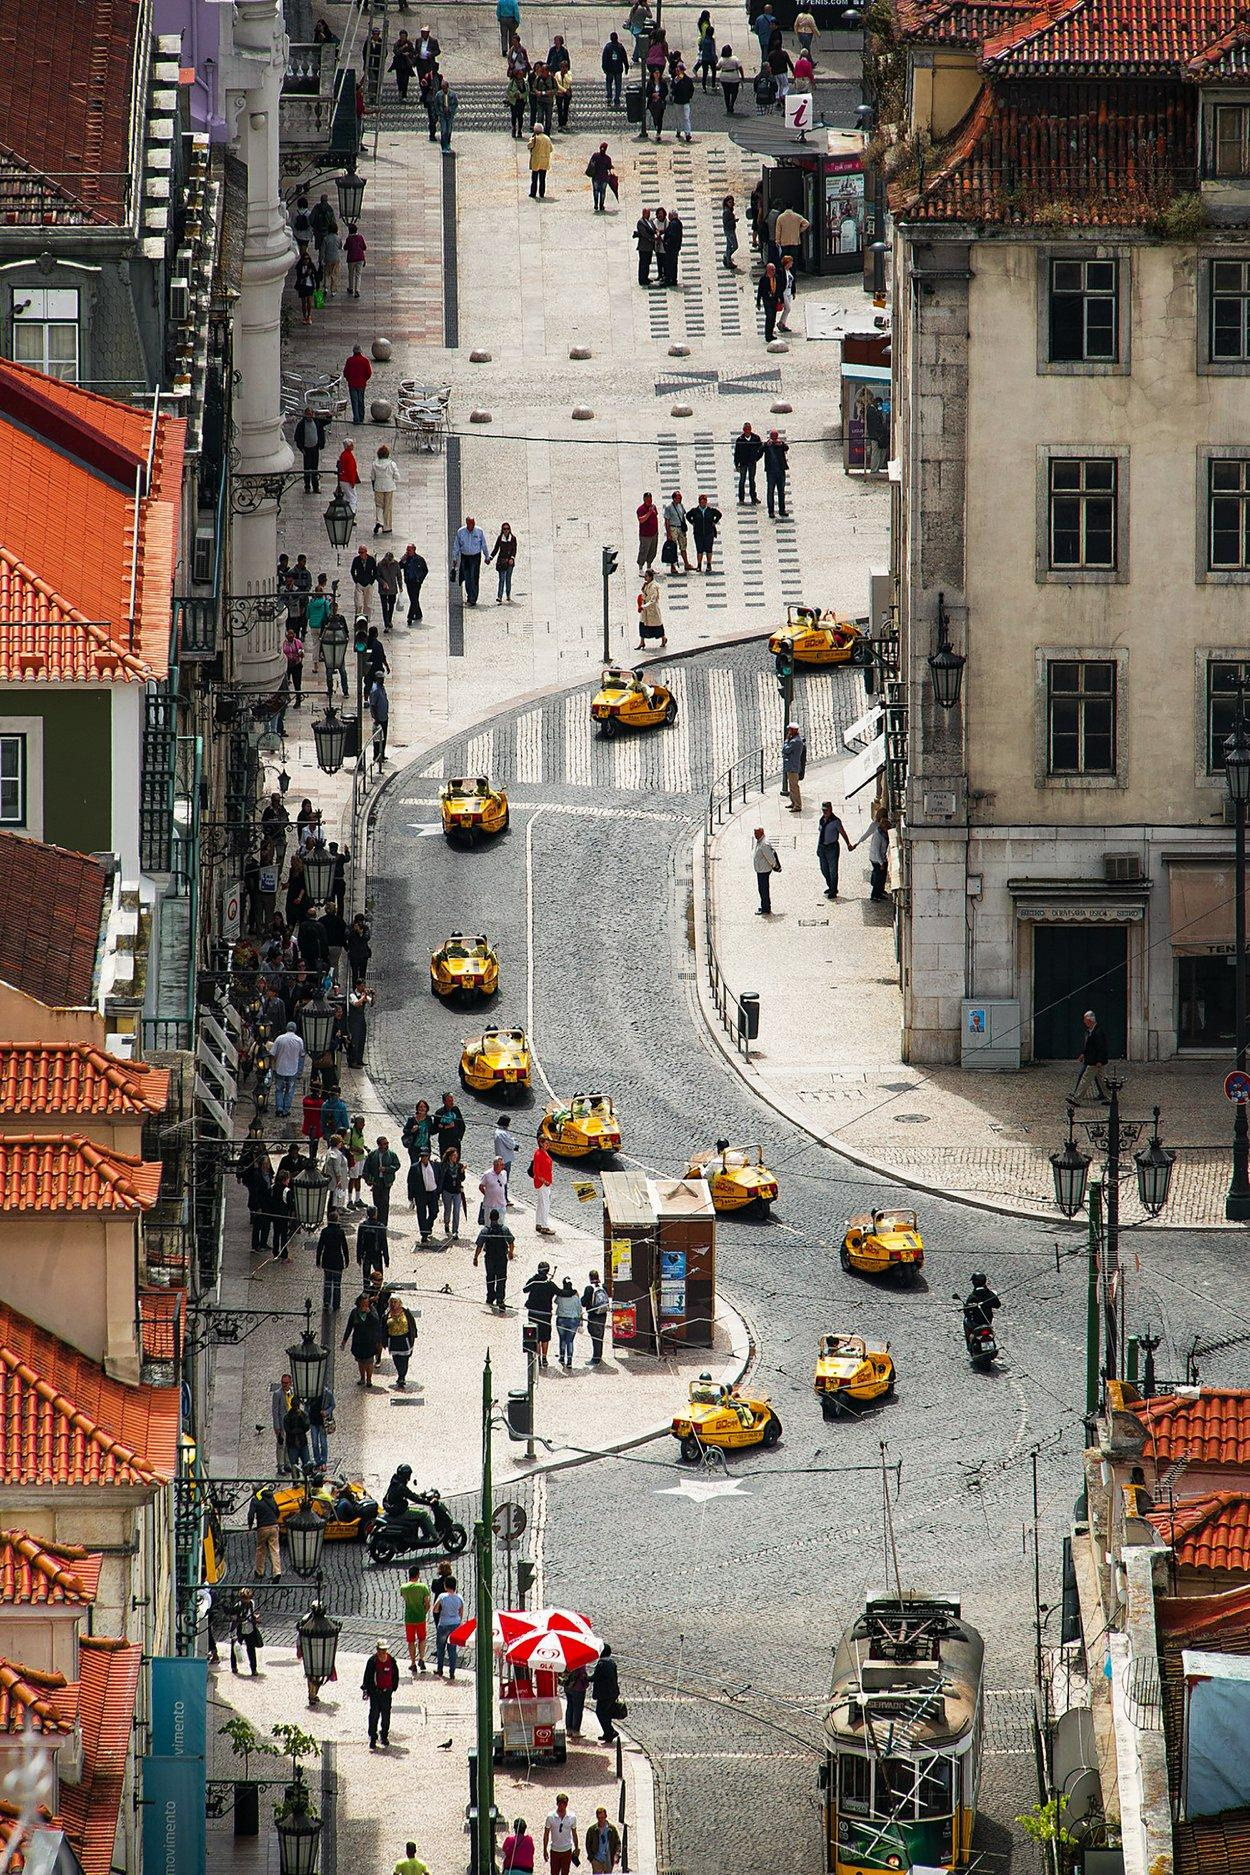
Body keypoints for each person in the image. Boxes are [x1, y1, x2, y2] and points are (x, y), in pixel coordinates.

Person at [475, 1208, 516, 1310]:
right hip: (502, 1258)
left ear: (489, 1218)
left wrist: (475, 1258)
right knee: (501, 1279)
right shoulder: (504, 1229)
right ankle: (500, 1300)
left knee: (490, 1278)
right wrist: (511, 1253)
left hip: (489, 1258)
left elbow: (479, 1246)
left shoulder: (485, 1230)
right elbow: (511, 1242)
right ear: (498, 1218)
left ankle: (490, 1298)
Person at [363, 1639, 400, 1749]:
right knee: (374, 1715)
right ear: (377, 1650)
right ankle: (373, 1737)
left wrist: (393, 1688)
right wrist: (369, 1690)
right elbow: (367, 1677)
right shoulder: (372, 1661)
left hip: (386, 1693)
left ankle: (384, 1736)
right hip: (375, 1694)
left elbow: (395, 1675)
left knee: (386, 1715)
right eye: (381, 1650)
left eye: (384, 1650)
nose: (383, 1653)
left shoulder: (391, 1661)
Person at [342, 1292, 385, 1386]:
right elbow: (349, 1326)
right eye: (363, 1303)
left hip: (369, 1341)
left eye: (367, 1303)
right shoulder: (354, 1312)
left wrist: (369, 1313)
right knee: (360, 1361)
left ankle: (369, 1380)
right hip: (358, 1341)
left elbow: (376, 1322)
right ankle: (362, 1378)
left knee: (369, 1361)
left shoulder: (372, 1310)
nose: (365, 1305)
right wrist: (344, 1340)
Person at [816, 800, 853, 898]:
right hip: (822, 847)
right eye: (823, 810)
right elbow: (821, 834)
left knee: (833, 870)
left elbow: (843, 833)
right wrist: (818, 848)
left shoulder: (836, 821)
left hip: (832, 848)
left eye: (826, 810)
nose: (825, 812)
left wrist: (848, 844)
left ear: (831, 809)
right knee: (824, 869)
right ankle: (830, 886)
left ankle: (833, 890)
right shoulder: (821, 820)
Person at [1073, 1010, 1111, 1103]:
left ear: (1090, 1021)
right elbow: (1089, 1046)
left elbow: (1101, 1047)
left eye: (1085, 1020)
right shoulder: (1092, 1031)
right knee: (1103, 1081)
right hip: (1095, 1060)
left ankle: (1077, 1099)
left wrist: (1099, 1061)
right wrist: (1083, 1054)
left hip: (1094, 1061)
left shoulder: (1097, 1032)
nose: (1084, 1022)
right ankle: (1111, 1098)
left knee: (1085, 1080)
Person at [269, 1022, 305, 1118]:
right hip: (293, 1069)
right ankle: (286, 1109)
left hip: (280, 1068)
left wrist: (272, 1066)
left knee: (279, 1089)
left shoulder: (279, 1039)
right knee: (290, 1090)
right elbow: (302, 1054)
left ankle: (279, 1108)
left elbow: (272, 1053)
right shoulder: (299, 1040)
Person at [452, 515, 489, 605]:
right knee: (467, 577)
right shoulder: (461, 532)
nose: (471, 526)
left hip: (475, 557)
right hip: (465, 557)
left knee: (474, 577)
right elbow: (456, 545)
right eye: (470, 524)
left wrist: (487, 556)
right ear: (467, 523)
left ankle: (473, 598)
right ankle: (470, 597)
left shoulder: (479, 531)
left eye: (473, 524)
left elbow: (483, 545)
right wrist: (454, 558)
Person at [433, 1575, 464, 1678]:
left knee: (440, 1648)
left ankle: (440, 1669)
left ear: (446, 1586)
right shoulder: (459, 1598)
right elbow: (461, 1613)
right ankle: (452, 1672)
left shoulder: (442, 1596)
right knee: (452, 1649)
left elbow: (435, 1609)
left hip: (443, 1624)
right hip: (455, 1625)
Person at [247, 1487, 282, 1580]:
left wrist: (250, 1525)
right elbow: (277, 1511)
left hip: (262, 1527)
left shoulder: (255, 1500)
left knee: (261, 1549)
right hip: (274, 1526)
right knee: (275, 1550)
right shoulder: (271, 1497)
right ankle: (277, 1571)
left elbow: (250, 1514)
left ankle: (259, 1571)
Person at [386, 1292, 418, 1390]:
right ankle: (400, 1374)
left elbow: (412, 1324)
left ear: (400, 1303)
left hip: (404, 1340)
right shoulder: (387, 1314)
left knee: (404, 1359)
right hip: (393, 1340)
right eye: (391, 1302)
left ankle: (401, 1376)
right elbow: (384, 1326)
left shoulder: (406, 1312)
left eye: (395, 1302)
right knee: (396, 1359)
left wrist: (414, 1335)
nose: (393, 1304)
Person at [401, 1565, 431, 1672]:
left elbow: (405, 1599)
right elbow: (427, 1603)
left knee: (411, 1641)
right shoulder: (423, 1587)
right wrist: (424, 1612)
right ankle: (421, 1658)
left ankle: (413, 1663)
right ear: (418, 1575)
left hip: (409, 1618)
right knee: (422, 1639)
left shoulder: (403, 1588)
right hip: (420, 1618)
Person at [294, 407, 328, 493]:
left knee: (314, 468)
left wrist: (329, 415)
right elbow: (297, 437)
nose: (309, 416)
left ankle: (315, 487)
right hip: (306, 449)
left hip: (315, 448)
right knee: (307, 469)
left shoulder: (317, 422)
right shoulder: (301, 425)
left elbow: (326, 423)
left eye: (310, 414)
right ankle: (307, 487)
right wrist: (301, 448)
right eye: (307, 415)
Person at [232, 1589, 264, 1677]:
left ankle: (254, 1669)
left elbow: (253, 1614)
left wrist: (255, 1618)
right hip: (239, 1630)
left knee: (251, 1649)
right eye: (245, 1599)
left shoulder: (252, 1604)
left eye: (248, 1598)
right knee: (235, 1649)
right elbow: (233, 1620)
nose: (246, 1601)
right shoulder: (237, 1607)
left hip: (249, 1629)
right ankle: (234, 1667)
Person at [591, 1645, 620, 1742]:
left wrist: (584, 1677)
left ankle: (610, 1732)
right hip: (613, 1692)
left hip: (604, 1694)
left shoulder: (601, 1664)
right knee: (606, 1713)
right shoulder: (612, 1663)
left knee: (601, 1713)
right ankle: (608, 1734)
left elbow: (594, 1678)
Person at [357, 1206, 390, 1291]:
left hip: (366, 1255)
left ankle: (366, 1295)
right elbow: (384, 1244)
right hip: (377, 1255)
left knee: (366, 1278)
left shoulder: (362, 1226)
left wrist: (358, 1257)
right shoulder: (380, 1226)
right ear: (375, 1214)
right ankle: (377, 1294)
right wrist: (386, 1258)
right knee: (378, 1277)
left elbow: (359, 1243)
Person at [545, 1797, 579, 1875]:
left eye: (564, 1804)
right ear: (557, 1804)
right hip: (555, 1850)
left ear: (567, 1804)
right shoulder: (550, 1817)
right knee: (554, 1872)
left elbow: (574, 1833)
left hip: (567, 1850)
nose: (562, 1806)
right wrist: (545, 1849)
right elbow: (546, 1834)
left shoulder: (572, 1817)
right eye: (560, 1803)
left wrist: (577, 1848)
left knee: (565, 1873)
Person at [371, 445, 400, 536]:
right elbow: (397, 476)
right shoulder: (391, 464)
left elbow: (372, 477)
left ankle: (379, 521)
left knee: (379, 505)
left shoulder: (374, 464)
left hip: (378, 486)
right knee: (388, 507)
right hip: (389, 487)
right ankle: (387, 527)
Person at [582, 1270, 610, 1364]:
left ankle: (596, 1359)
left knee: (595, 1337)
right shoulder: (604, 1287)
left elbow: (583, 1302)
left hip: (593, 1315)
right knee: (600, 1336)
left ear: (590, 1278)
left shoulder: (589, 1288)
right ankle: (599, 1355)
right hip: (603, 1315)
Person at [554, 1277, 582, 1369]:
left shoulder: (560, 1296)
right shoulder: (575, 1297)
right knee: (570, 1341)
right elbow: (579, 1310)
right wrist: (581, 1322)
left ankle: (562, 1357)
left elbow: (555, 1301)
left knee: (562, 1339)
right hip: (573, 1321)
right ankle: (569, 1361)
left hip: (561, 1320)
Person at [439, 1145, 466, 1238]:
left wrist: (462, 1171)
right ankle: (446, 1224)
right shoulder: (444, 1166)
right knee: (448, 1210)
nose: (456, 1157)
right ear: (450, 1156)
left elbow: (462, 1179)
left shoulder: (459, 1166)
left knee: (457, 1211)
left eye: (456, 1156)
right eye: (454, 1156)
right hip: (447, 1191)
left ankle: (455, 1231)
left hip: (457, 1191)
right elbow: (441, 1178)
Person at [690, 493, 722, 573]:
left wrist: (714, 522)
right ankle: (699, 565)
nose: (703, 503)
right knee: (699, 550)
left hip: (709, 533)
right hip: (698, 533)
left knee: (709, 549)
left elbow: (719, 514)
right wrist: (692, 522)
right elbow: (688, 516)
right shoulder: (695, 511)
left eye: (705, 502)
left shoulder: (710, 510)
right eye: (702, 502)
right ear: (699, 502)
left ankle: (708, 564)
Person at [307, 1379, 335, 1468]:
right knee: (314, 1443)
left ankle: (323, 1461)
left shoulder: (327, 1393)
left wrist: (326, 1412)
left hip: (322, 1422)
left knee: (323, 1442)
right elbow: (307, 1405)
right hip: (313, 1421)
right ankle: (317, 1460)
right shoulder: (312, 1393)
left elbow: (333, 1404)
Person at [752, 825, 780, 914]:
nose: (755, 835)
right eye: (755, 833)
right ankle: (764, 906)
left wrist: (775, 865)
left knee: (763, 889)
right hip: (761, 870)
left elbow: (770, 857)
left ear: (762, 833)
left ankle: (766, 908)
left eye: (757, 833)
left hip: (763, 871)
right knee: (762, 889)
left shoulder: (764, 844)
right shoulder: (760, 841)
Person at [734, 422, 764, 503]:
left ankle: (753, 498)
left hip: (752, 463)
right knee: (742, 480)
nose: (747, 431)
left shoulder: (756, 438)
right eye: (746, 429)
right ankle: (741, 499)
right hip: (743, 463)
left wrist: (756, 458)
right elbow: (737, 453)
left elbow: (761, 449)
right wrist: (736, 464)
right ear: (743, 430)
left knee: (752, 480)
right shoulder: (740, 439)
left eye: (748, 429)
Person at [530, 1138, 554, 1234]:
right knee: (545, 1204)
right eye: (546, 1143)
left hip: (544, 1182)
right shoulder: (539, 1154)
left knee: (541, 1203)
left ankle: (539, 1223)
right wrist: (544, 1181)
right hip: (543, 1183)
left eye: (549, 1143)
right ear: (541, 1143)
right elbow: (536, 1171)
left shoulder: (541, 1152)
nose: (548, 1145)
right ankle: (544, 1226)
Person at [587, 1809, 621, 1875]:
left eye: (602, 1817)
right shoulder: (592, 1830)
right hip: (597, 1860)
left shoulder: (612, 1829)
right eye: (599, 1818)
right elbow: (588, 1844)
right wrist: (592, 1859)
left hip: (608, 1860)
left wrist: (616, 1855)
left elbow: (618, 1843)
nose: (601, 1820)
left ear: (606, 1816)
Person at [344, 344, 373, 424]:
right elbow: (369, 373)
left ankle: (356, 418)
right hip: (362, 384)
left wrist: (348, 379)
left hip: (352, 384)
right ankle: (361, 417)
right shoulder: (365, 360)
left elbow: (346, 372)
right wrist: (364, 380)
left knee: (354, 401)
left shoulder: (349, 360)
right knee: (361, 401)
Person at [763, 429, 789, 517]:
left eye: (775, 438)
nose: (774, 440)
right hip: (771, 472)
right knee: (770, 492)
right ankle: (771, 511)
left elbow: (786, 448)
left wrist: (781, 444)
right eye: (772, 438)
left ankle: (782, 510)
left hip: (780, 472)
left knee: (781, 492)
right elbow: (760, 450)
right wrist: (766, 444)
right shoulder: (767, 445)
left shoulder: (780, 444)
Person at [489, 522, 518, 600]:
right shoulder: (500, 538)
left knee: (508, 579)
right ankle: (499, 596)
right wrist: (491, 557)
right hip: (502, 561)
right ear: (502, 530)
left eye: (507, 529)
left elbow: (514, 549)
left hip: (510, 562)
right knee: (501, 579)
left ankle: (508, 595)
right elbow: (496, 549)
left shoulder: (513, 538)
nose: (506, 530)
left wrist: (512, 558)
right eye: (504, 529)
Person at [781, 721, 806, 812]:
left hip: (793, 767)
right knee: (791, 786)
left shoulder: (795, 741)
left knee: (794, 786)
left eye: (790, 730)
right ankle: (793, 802)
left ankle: (798, 805)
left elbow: (785, 750)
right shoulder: (795, 739)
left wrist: (786, 740)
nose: (788, 732)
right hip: (791, 766)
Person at [663, 491, 691, 571]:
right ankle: (673, 566)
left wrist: (684, 527)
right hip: (673, 528)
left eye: (681, 497)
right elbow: (666, 521)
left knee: (683, 546)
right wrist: (668, 533)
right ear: (674, 498)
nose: (680, 499)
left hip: (680, 529)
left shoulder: (681, 505)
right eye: (679, 497)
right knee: (672, 548)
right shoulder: (669, 507)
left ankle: (686, 564)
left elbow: (683, 516)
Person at [401, 542, 428, 622]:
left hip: (416, 582)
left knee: (414, 599)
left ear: (414, 550)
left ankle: (410, 616)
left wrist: (420, 580)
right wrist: (403, 560)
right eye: (407, 550)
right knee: (413, 599)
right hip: (409, 582)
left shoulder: (419, 559)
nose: (408, 551)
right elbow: (399, 567)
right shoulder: (406, 559)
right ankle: (418, 614)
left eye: (409, 550)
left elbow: (425, 570)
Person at [494, 1114, 520, 1197]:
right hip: (505, 1160)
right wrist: (515, 1143)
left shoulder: (498, 1132)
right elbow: (511, 1145)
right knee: (504, 1180)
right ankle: (504, 1198)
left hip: (501, 1158)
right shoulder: (503, 1134)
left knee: (501, 1179)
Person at [757, 261, 784, 341]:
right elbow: (760, 291)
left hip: (774, 300)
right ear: (768, 270)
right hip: (767, 300)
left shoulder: (776, 278)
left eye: (774, 269)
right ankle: (767, 335)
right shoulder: (763, 279)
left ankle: (771, 334)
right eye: (772, 270)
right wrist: (758, 302)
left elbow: (779, 290)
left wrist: (782, 300)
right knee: (769, 317)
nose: (773, 271)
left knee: (773, 318)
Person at [376, 552, 402, 633]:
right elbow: (377, 576)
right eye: (387, 561)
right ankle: (386, 624)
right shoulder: (380, 564)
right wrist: (383, 583)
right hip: (383, 590)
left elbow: (399, 576)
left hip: (393, 589)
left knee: (391, 605)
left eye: (390, 561)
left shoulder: (396, 564)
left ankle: (389, 620)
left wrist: (400, 586)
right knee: (384, 607)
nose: (388, 563)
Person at [350, 545, 377, 620]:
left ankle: (366, 620)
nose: (360, 554)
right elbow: (352, 571)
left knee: (368, 604)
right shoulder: (356, 560)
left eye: (362, 552)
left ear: (365, 552)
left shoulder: (371, 560)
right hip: (360, 584)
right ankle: (357, 619)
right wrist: (356, 581)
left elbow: (375, 572)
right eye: (359, 552)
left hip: (368, 584)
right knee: (358, 604)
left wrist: (371, 582)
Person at [869, 811, 891, 900]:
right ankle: (874, 895)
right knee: (879, 877)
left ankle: (880, 891)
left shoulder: (883, 833)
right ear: (883, 827)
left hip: (881, 858)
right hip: (876, 859)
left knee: (882, 876)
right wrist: (881, 863)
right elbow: (877, 850)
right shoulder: (878, 835)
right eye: (887, 828)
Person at [480, 1154, 508, 1222]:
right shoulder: (487, 1174)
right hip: (489, 1205)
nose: (503, 1166)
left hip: (501, 1204)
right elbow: (481, 1186)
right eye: (501, 1165)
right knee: (488, 1224)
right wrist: (487, 1194)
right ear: (495, 1165)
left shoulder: (504, 1173)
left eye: (503, 1164)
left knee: (501, 1225)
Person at [587, 142, 613, 213]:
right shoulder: (608, 158)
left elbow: (591, 163)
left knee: (595, 191)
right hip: (604, 178)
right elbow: (609, 167)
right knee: (602, 192)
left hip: (596, 177)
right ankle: (601, 205)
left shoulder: (595, 155)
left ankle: (596, 205)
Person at [602, 31, 628, 103]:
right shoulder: (620, 47)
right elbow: (624, 58)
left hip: (609, 69)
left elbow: (604, 58)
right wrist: (626, 67)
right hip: (618, 69)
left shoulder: (607, 47)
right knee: (618, 84)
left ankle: (609, 95)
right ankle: (617, 97)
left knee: (609, 83)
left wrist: (604, 68)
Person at [337, 437, 361, 514]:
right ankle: (351, 514)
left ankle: (345, 512)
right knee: (353, 498)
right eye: (352, 445)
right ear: (348, 446)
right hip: (347, 480)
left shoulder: (343, 454)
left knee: (347, 497)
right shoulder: (349, 456)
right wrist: (352, 482)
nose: (353, 446)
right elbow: (350, 471)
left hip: (342, 479)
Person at [671, 61, 694, 140]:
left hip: (685, 101)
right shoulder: (675, 79)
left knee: (686, 117)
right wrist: (676, 81)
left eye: (679, 70)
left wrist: (689, 97)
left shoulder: (687, 80)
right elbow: (673, 88)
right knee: (678, 117)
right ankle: (678, 130)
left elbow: (691, 89)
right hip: (677, 101)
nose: (678, 71)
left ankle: (687, 133)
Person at [528, 123, 553, 197]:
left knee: (534, 179)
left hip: (536, 161)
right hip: (545, 161)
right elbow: (551, 149)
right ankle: (542, 193)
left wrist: (531, 138)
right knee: (542, 179)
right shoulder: (547, 138)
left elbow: (529, 145)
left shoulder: (535, 138)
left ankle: (533, 193)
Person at [633, 210, 656, 287]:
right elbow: (644, 233)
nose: (648, 215)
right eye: (647, 213)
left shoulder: (650, 221)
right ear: (643, 213)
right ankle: (642, 279)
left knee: (648, 263)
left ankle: (646, 277)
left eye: (649, 213)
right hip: (643, 247)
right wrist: (652, 238)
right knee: (643, 263)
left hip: (649, 247)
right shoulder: (641, 222)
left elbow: (654, 229)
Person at [717, 43, 743, 112]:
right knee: (735, 92)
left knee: (726, 93)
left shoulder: (721, 59)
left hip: (724, 78)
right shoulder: (735, 58)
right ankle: (732, 104)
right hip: (734, 77)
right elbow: (740, 67)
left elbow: (718, 68)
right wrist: (742, 76)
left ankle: (728, 106)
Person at [636, 489, 659, 565]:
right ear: (644, 499)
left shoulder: (653, 506)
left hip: (654, 534)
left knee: (652, 551)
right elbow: (641, 520)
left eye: (651, 499)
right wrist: (649, 512)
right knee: (643, 551)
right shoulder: (641, 509)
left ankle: (649, 567)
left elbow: (656, 514)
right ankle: (641, 568)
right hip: (645, 535)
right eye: (648, 499)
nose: (650, 500)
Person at [661, 207, 683, 285]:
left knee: (670, 264)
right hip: (675, 248)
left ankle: (669, 280)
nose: (668, 217)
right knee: (673, 264)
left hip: (671, 249)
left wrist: (666, 242)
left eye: (669, 215)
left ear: (672, 216)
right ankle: (673, 279)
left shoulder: (674, 224)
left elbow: (672, 236)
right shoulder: (678, 223)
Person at [644, 66, 668, 139]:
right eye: (656, 73)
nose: (657, 75)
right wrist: (652, 95)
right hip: (652, 102)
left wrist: (659, 95)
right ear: (653, 74)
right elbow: (647, 92)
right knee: (655, 117)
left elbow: (666, 91)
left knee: (660, 117)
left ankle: (658, 133)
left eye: (658, 73)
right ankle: (656, 126)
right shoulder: (650, 83)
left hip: (660, 102)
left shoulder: (663, 82)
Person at [435, 77, 458, 151]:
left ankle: (448, 144)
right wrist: (439, 113)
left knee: (448, 130)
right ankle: (444, 145)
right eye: (442, 88)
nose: (444, 90)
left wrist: (450, 110)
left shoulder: (453, 94)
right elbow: (436, 105)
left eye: (445, 88)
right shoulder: (438, 94)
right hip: (442, 115)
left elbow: (455, 104)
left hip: (449, 114)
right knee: (444, 130)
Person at [507, 70, 528, 136]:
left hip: (521, 101)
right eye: (520, 74)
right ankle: (514, 128)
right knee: (514, 115)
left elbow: (527, 91)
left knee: (520, 116)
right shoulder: (512, 82)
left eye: (522, 74)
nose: (521, 75)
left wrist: (521, 96)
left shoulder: (525, 82)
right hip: (514, 101)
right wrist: (514, 94)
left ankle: (519, 130)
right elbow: (508, 91)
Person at [722, 193, 739, 269]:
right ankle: (727, 257)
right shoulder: (726, 212)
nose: (731, 204)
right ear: (726, 203)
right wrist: (734, 220)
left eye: (732, 202)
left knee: (729, 246)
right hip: (729, 231)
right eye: (729, 202)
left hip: (730, 230)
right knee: (735, 246)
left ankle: (728, 259)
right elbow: (726, 222)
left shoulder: (728, 210)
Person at [553, 61, 573, 129]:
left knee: (566, 108)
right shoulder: (557, 74)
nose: (563, 69)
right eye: (562, 67)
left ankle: (564, 123)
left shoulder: (569, 74)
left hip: (567, 93)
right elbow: (557, 84)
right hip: (560, 93)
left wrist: (565, 75)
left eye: (565, 67)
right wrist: (564, 90)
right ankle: (560, 123)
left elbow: (569, 81)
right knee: (559, 108)